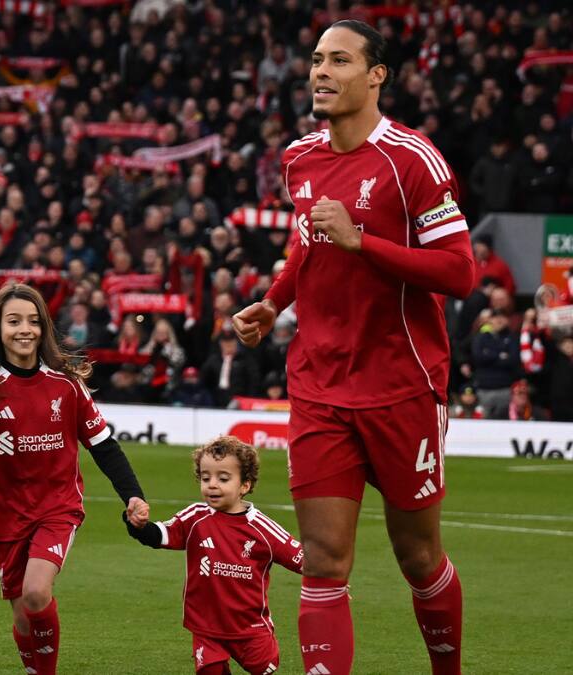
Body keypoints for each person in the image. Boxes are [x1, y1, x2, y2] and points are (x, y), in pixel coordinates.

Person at [232, 20, 475, 675]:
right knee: (323, 557)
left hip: (402, 385)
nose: (321, 71)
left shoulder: (412, 161)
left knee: (418, 557)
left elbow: (460, 271)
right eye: (315, 60)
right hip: (318, 383)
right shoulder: (299, 158)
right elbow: (306, 242)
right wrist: (275, 300)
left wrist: (363, 242)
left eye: (339, 60)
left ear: (376, 75)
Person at [0, 283, 150, 675]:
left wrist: (132, 496)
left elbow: (104, 446)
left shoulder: (66, 384)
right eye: (14, 321)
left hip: (58, 508)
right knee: (22, 619)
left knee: (36, 592)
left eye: (34, 321)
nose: (25, 330)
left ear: (44, 328)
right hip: (8, 517)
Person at [124, 436, 303, 675]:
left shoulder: (263, 528)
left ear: (245, 486)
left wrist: (330, 581)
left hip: (248, 626)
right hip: (205, 625)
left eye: (223, 478)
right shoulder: (195, 518)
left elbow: (300, 557)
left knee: (265, 667)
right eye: (206, 478)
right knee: (211, 670)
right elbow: (159, 535)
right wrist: (136, 524)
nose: (212, 485)